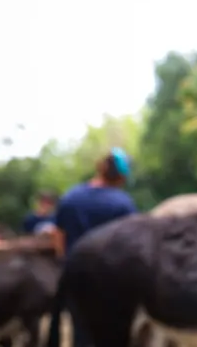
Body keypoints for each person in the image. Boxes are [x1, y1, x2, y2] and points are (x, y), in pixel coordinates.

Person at [52, 147, 138, 347]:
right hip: (112, 282)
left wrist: (66, 264)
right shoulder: (123, 204)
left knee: (81, 335)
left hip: (76, 277)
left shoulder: (70, 198)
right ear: (122, 178)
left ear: (100, 167)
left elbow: (58, 237)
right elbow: (132, 245)